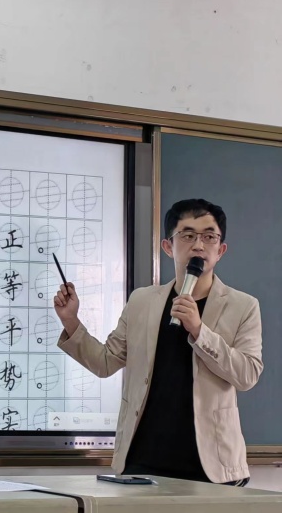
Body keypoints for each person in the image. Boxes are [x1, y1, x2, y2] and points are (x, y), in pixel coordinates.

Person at [54, 199, 262, 485]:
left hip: (211, 466)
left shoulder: (243, 306)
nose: (198, 245)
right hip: (143, 459)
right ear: (167, 246)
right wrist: (71, 321)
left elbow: (247, 375)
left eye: (209, 237)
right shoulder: (142, 301)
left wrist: (199, 330)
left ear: (221, 250)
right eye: (187, 235)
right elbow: (105, 362)